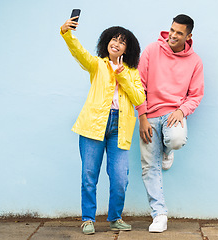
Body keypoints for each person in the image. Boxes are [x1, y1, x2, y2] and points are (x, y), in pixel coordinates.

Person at [60, 16, 145, 235]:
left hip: (120, 127)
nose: (116, 43)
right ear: (106, 42)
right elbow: (79, 53)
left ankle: (115, 217)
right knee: (89, 174)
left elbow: (139, 98)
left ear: (128, 48)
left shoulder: (132, 72)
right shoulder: (97, 64)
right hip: (93, 125)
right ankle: (88, 219)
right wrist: (67, 34)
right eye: (113, 39)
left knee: (120, 177)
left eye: (121, 41)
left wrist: (122, 75)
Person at [136, 14, 204, 233]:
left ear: (189, 36)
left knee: (175, 140)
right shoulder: (151, 51)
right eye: (172, 30)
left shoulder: (195, 61)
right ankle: (159, 215)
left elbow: (195, 95)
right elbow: (139, 86)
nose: (173, 35)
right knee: (148, 167)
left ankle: (167, 150)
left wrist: (182, 110)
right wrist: (142, 117)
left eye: (179, 33)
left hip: (173, 114)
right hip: (150, 115)